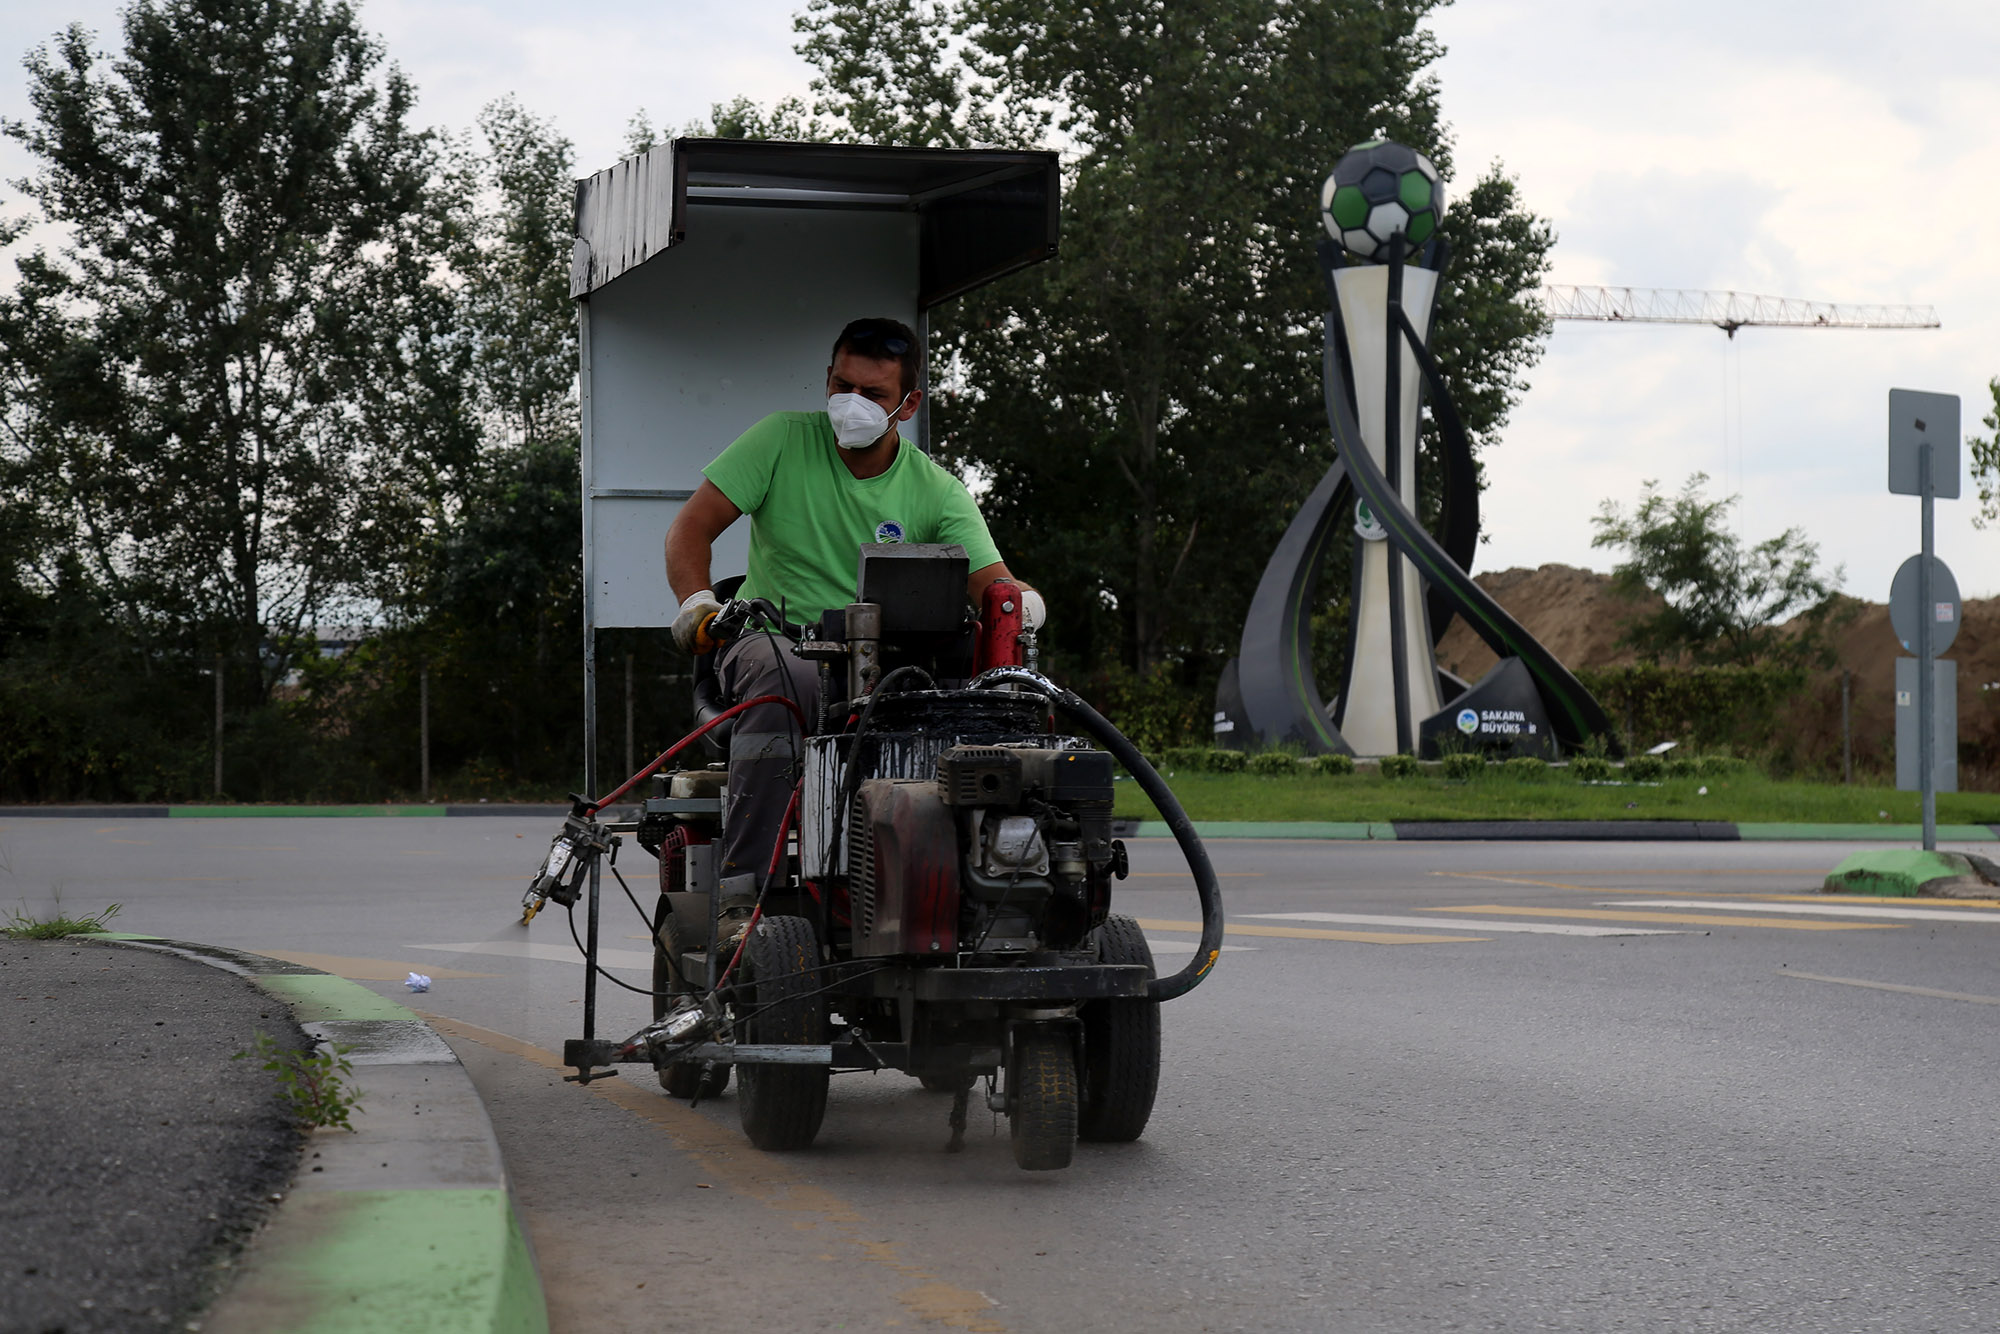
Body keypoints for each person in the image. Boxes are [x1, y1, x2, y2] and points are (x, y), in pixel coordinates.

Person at [664, 317, 1041, 899]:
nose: (851, 405)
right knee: (791, 679)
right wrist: (696, 602)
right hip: (775, 642)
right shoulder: (780, 441)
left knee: (996, 709)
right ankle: (744, 896)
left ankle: (979, 885)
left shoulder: (936, 491)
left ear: (909, 404)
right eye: (843, 386)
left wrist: (1021, 609)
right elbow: (690, 530)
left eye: (873, 395)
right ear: (827, 380)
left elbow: (998, 591)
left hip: (889, 664)